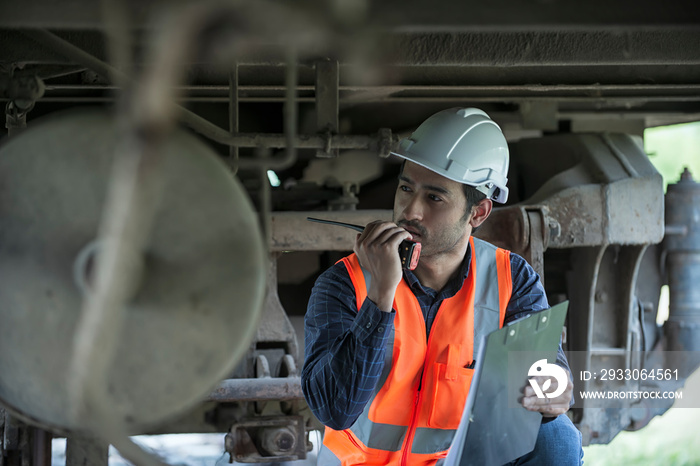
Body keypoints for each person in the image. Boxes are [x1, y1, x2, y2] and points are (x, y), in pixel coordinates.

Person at [301, 108, 583, 465]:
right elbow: (335, 411)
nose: (411, 210)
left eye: (434, 197)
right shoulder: (345, 282)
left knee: (556, 437)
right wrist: (381, 295)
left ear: (478, 213)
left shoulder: (510, 280)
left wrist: (552, 391)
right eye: (406, 188)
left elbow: (549, 376)